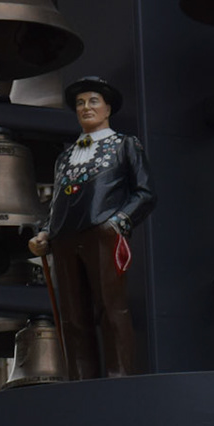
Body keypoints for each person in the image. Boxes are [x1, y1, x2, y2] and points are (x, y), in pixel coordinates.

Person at [27, 76, 154, 378]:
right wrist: (46, 232)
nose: (86, 107)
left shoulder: (124, 145)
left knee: (111, 307)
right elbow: (58, 201)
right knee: (72, 316)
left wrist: (117, 223)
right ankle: (80, 378)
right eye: (80, 103)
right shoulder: (64, 157)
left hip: (102, 232)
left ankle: (119, 375)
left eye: (93, 101)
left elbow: (145, 193)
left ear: (108, 108)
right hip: (64, 239)